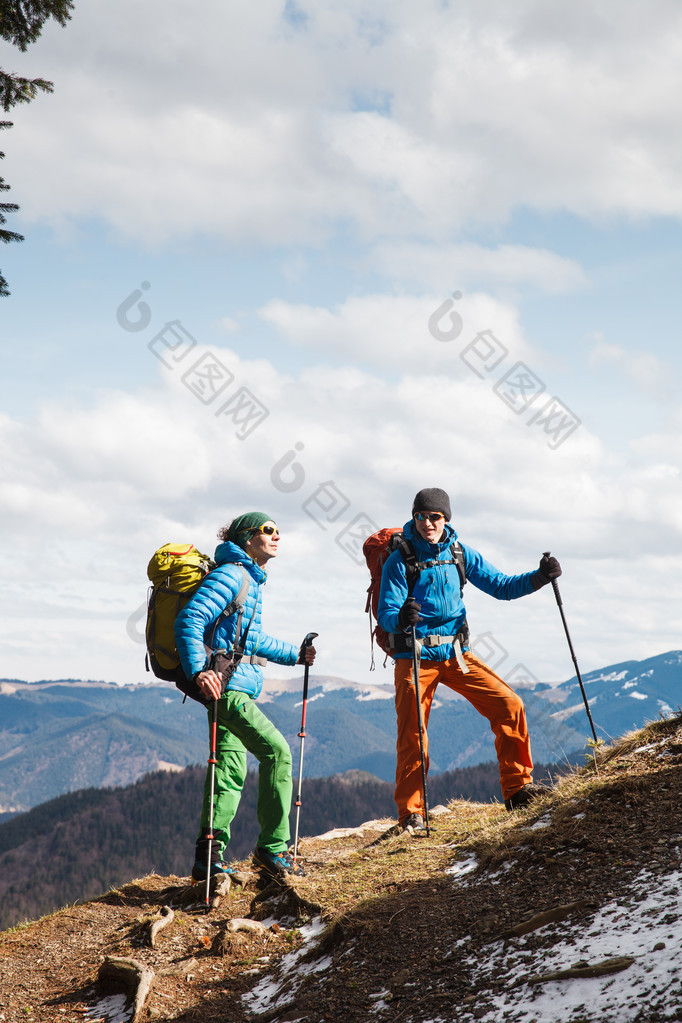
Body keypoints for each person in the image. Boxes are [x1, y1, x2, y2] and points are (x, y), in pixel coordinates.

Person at [377, 487, 561, 830]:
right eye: (421, 516)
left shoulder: (460, 553)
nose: (428, 523)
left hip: (457, 654)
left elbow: (502, 586)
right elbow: (386, 612)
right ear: (414, 517)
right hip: (414, 657)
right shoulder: (398, 560)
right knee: (414, 734)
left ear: (446, 519)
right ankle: (411, 814)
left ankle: (518, 789)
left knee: (510, 705)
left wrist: (539, 577)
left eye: (435, 517)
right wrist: (402, 617)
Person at [175, 511, 315, 879]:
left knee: (228, 772)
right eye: (268, 530)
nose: (276, 536)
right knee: (277, 753)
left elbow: (253, 641)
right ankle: (272, 850)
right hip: (228, 688)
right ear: (247, 538)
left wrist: (294, 655)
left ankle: (209, 855)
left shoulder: (247, 579)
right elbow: (190, 620)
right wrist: (199, 670)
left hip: (230, 685)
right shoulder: (231, 575)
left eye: (279, 530)